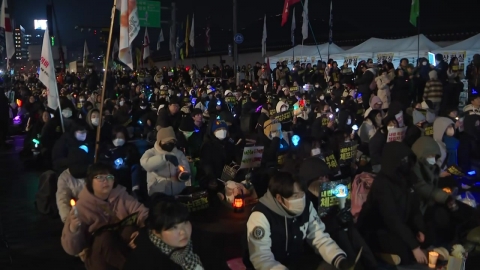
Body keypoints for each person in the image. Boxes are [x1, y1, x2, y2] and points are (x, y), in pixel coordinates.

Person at [244, 171, 352, 270]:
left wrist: (339, 259)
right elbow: (262, 258)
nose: (300, 199)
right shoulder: (261, 215)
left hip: (296, 264)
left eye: (302, 194)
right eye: (295, 196)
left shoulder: (307, 206)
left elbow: (319, 237)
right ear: (279, 198)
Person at [61, 163, 149, 269]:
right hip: (98, 255)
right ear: (90, 181)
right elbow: (71, 249)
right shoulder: (82, 206)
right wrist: (73, 229)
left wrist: (140, 232)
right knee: (105, 237)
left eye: (109, 177)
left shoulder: (121, 195)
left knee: (130, 229)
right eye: (100, 178)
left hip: (121, 247)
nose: (105, 181)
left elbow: (141, 212)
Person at [357, 142, 427, 266]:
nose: (405, 162)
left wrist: (419, 229)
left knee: (425, 237)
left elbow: (415, 208)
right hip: (378, 228)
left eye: (407, 159)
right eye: (402, 159)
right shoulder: (382, 183)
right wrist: (414, 247)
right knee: (406, 252)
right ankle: (377, 253)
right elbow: (391, 218)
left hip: (399, 224)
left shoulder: (407, 177)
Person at [124, 197, 229, 270]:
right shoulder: (143, 261)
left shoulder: (203, 242)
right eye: (173, 228)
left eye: (185, 223)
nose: (183, 232)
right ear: (156, 232)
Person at [141, 126, 191, 196]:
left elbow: (185, 168)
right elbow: (146, 164)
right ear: (160, 141)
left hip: (177, 191)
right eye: (167, 141)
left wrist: (182, 175)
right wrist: (163, 158)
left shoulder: (179, 153)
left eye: (172, 141)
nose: (170, 144)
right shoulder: (151, 152)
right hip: (158, 192)